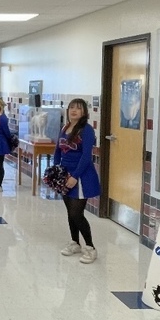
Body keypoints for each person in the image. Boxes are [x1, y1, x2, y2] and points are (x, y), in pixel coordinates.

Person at [53, 98, 102, 264]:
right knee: (70, 212)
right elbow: (58, 151)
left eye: (78, 108)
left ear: (84, 112)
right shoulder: (65, 127)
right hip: (65, 175)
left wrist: (75, 176)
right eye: (71, 107)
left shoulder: (86, 130)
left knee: (76, 213)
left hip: (81, 176)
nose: (74, 110)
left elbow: (86, 157)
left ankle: (90, 247)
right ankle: (75, 242)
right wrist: (55, 171)